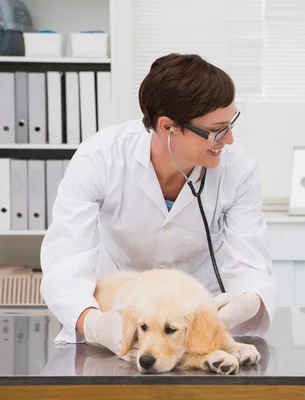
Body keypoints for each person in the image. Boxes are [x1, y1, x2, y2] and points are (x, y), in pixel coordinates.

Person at [39, 53, 277, 356]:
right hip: (118, 314)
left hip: (194, 323)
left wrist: (248, 300)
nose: (228, 140)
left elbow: (249, 263)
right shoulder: (99, 159)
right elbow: (66, 261)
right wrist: (93, 323)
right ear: (168, 127)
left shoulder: (240, 170)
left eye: (230, 124)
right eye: (217, 130)